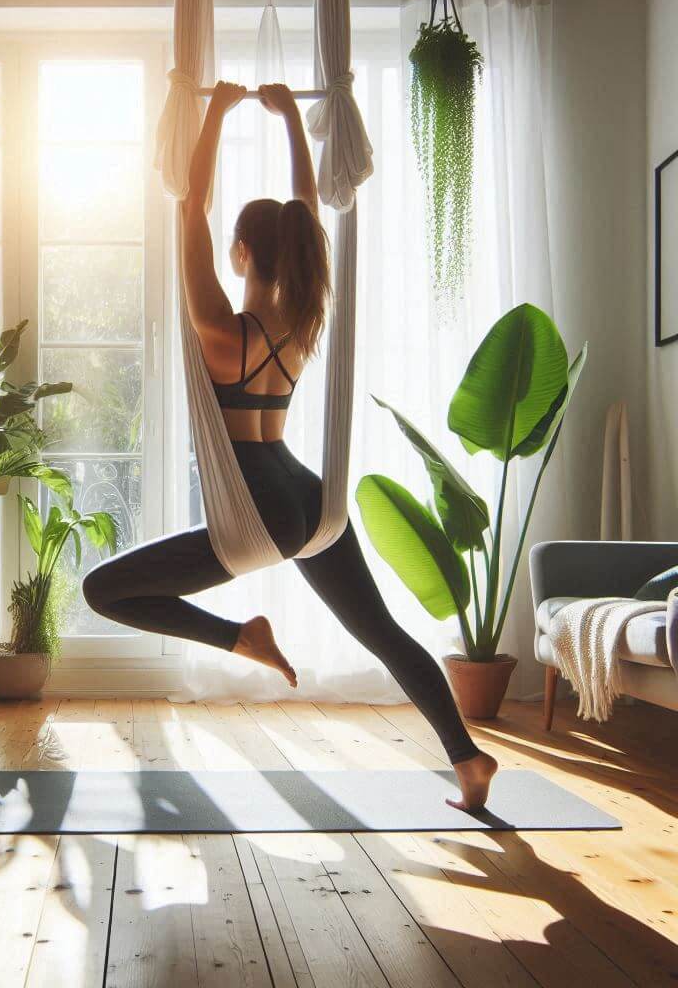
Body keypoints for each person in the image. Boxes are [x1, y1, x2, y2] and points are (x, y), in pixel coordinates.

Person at [83, 81, 497, 811]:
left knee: (103, 590)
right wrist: (286, 127)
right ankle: (466, 758)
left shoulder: (220, 331)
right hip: (310, 499)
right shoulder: (304, 321)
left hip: (261, 510)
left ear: (241, 253)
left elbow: (191, 207)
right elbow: (304, 219)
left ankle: (241, 636)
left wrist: (216, 110)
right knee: (384, 634)